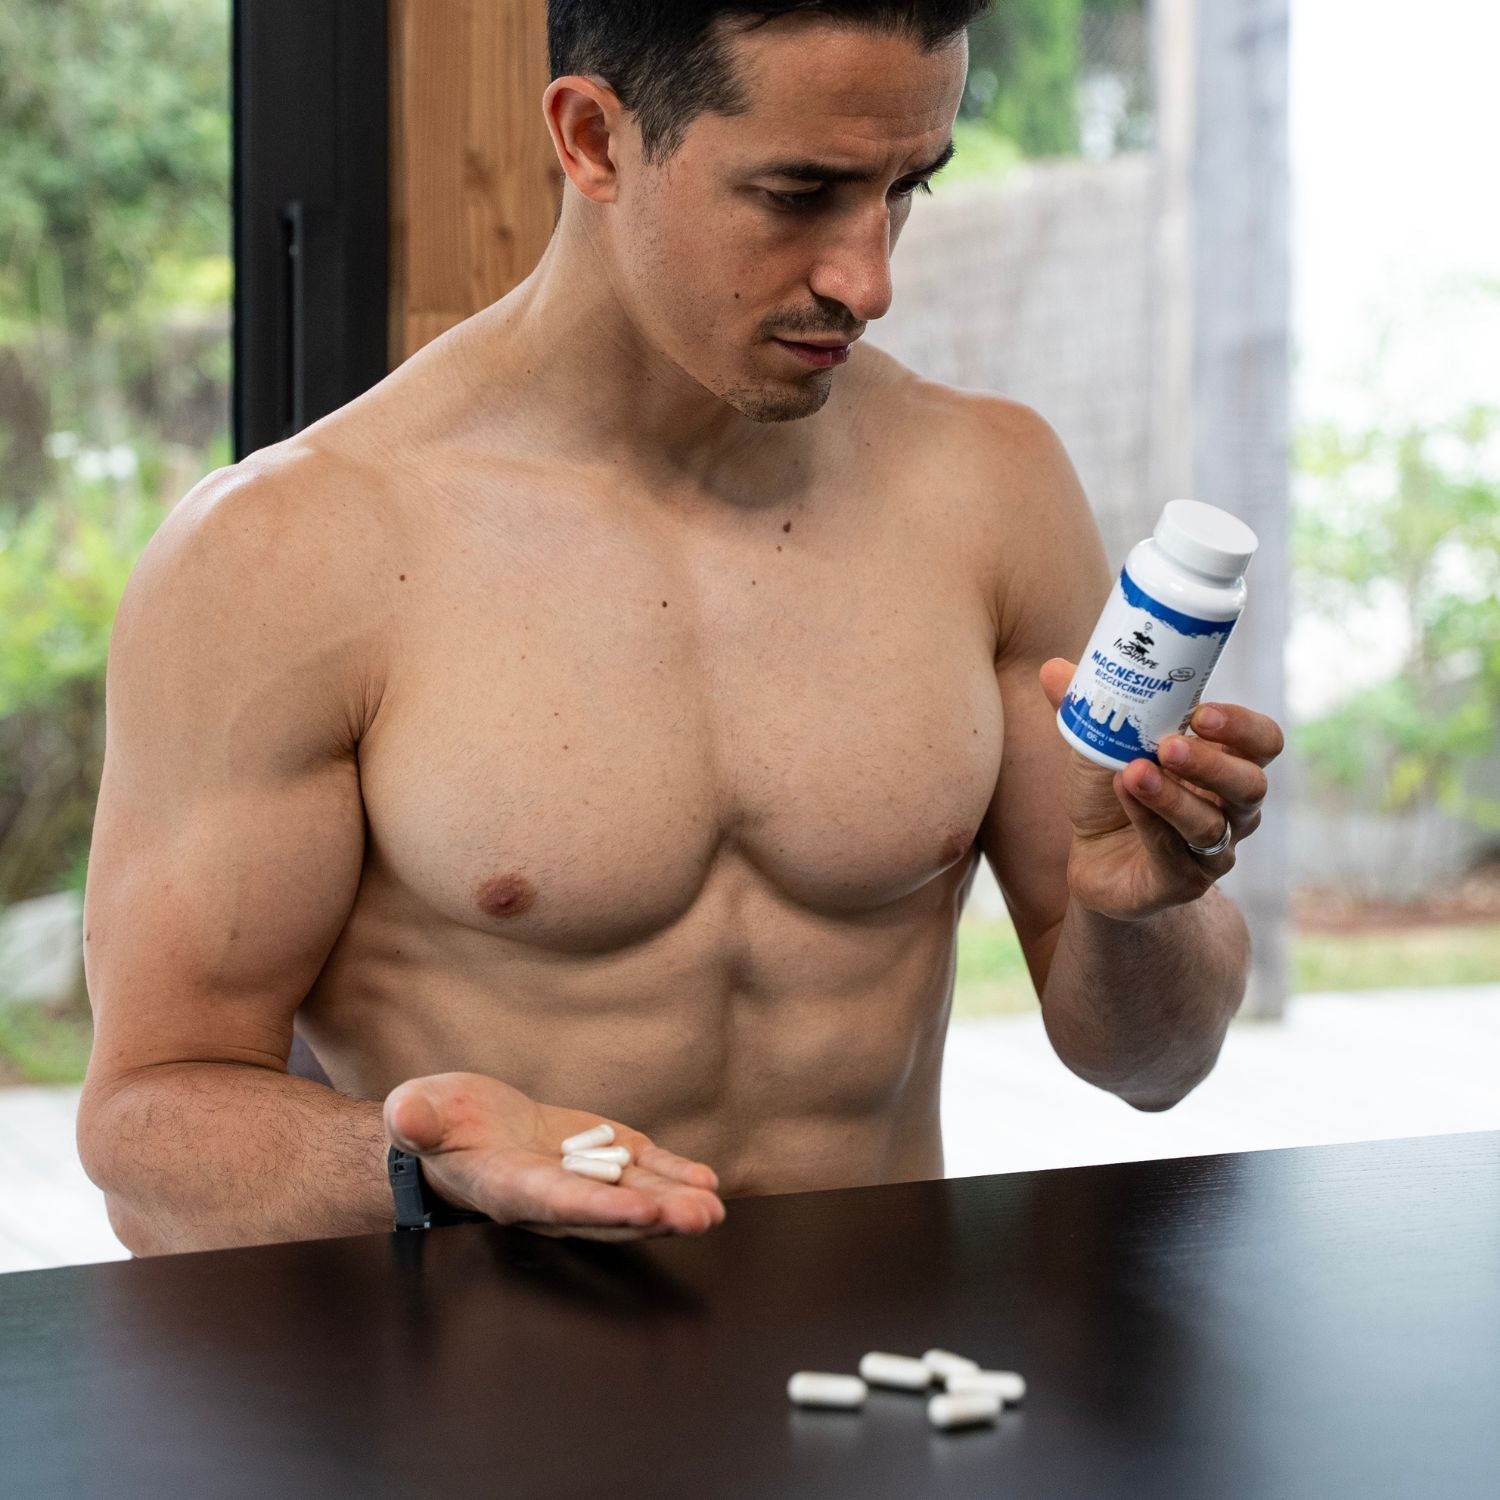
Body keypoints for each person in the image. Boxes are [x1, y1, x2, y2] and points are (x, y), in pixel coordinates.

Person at [77, 0, 1284, 1256]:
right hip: (497, 1367)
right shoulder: (285, 552)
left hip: (877, 1356)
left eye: (905, 189)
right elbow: (148, 1138)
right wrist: (426, 1169)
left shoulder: (989, 487)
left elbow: (1152, 1065)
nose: (869, 281)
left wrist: (1142, 912)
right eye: (798, 193)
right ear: (594, 138)